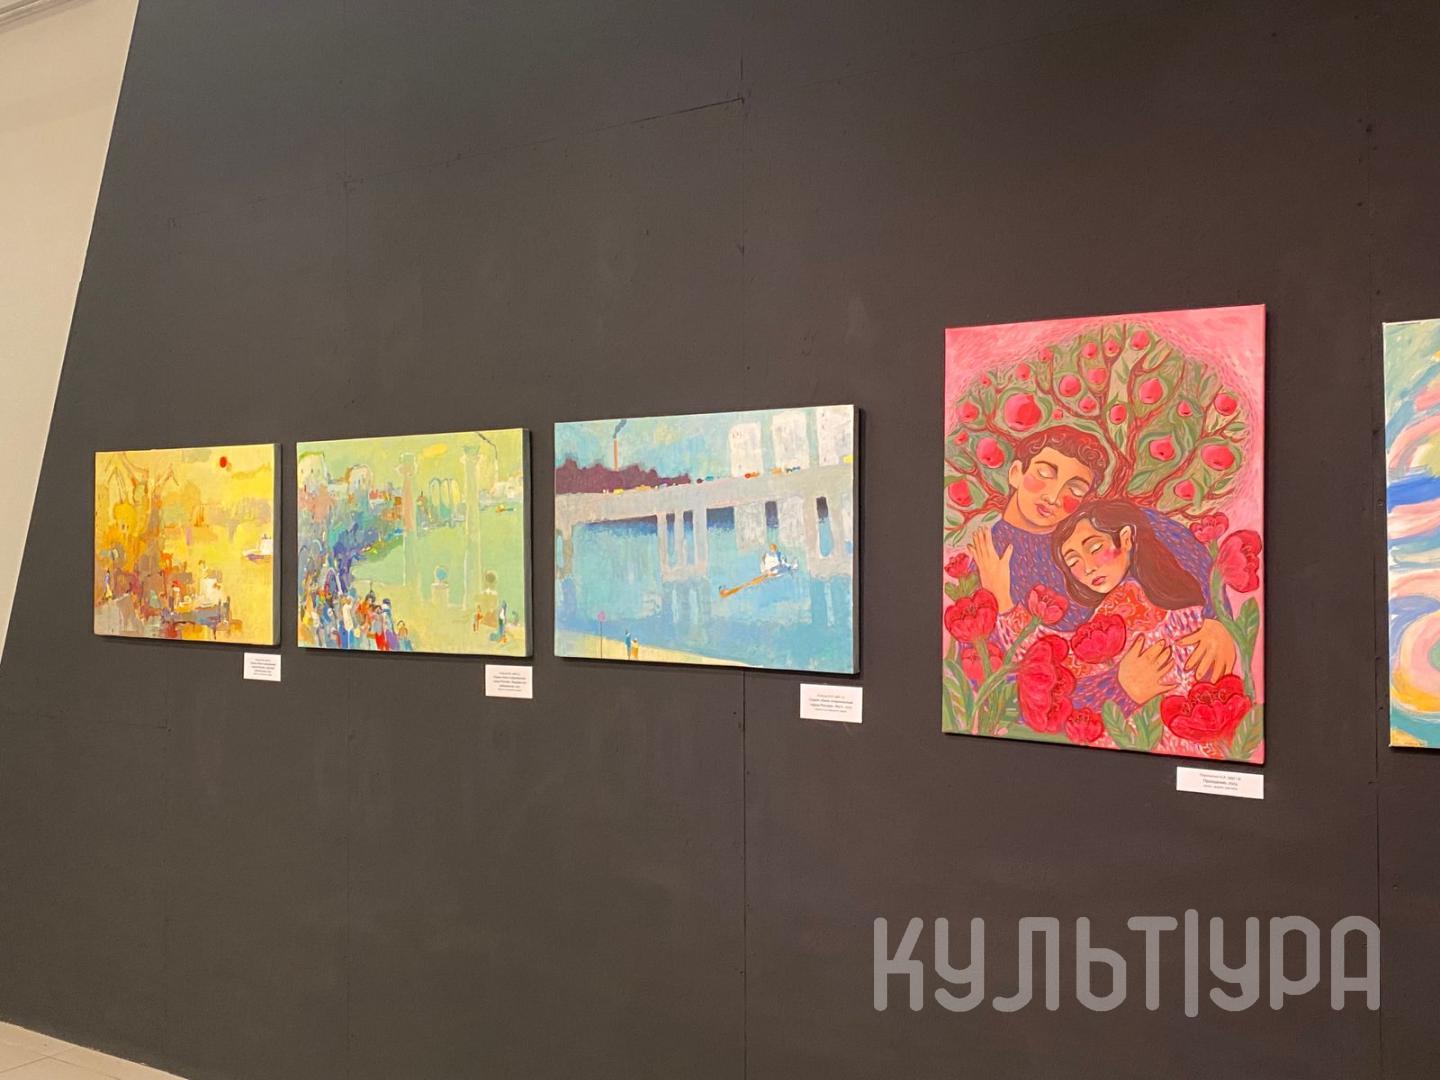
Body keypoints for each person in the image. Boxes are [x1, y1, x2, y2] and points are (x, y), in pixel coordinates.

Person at [964, 425, 1235, 702]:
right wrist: (1118, 690)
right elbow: (997, 687)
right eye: (1044, 474)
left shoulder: (1096, 523)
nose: (1054, 497)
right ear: (1015, 473)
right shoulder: (987, 561)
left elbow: (1192, 554)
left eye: (1075, 489)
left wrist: (1217, 619)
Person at [992, 500, 1204, 709]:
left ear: (1126, 538)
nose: (1088, 567)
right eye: (1073, 562)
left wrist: (1004, 604)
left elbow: (1059, 666)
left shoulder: (1132, 598)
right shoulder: (1173, 600)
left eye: (1094, 548)